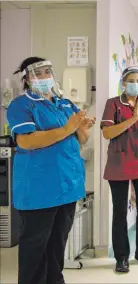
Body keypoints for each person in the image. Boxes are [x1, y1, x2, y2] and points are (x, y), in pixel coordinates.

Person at [6, 57, 96, 284]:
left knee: (57, 245)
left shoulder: (65, 104)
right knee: (35, 249)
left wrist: (82, 129)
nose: (47, 76)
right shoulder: (22, 105)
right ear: (27, 78)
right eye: (41, 72)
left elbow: (81, 139)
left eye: (49, 71)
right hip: (39, 190)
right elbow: (26, 141)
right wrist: (68, 128)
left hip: (67, 186)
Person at [101, 66, 138, 273]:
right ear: (124, 83)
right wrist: (132, 119)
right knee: (120, 212)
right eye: (131, 80)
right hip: (119, 164)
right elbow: (107, 133)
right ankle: (121, 257)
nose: (135, 84)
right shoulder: (113, 104)